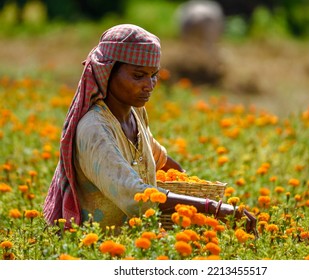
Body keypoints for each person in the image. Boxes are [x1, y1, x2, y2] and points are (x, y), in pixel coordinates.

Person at [43, 24, 257, 235]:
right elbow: (135, 193)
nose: (149, 84)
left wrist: (190, 182)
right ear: (106, 72)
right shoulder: (94, 129)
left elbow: (156, 157)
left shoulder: (135, 113)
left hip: (140, 239)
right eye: (138, 76)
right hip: (96, 246)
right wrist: (215, 208)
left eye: (154, 74)